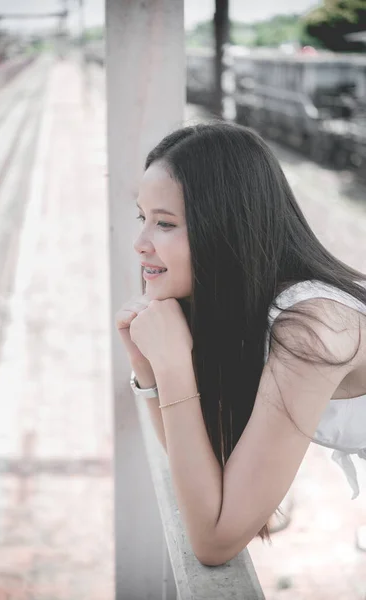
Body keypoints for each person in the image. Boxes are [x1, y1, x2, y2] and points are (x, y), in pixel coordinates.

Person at [115, 122, 366, 566]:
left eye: (165, 223)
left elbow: (215, 540)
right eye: (143, 218)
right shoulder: (248, 307)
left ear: (224, 228)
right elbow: (200, 471)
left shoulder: (312, 328)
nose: (140, 244)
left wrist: (173, 367)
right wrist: (150, 371)